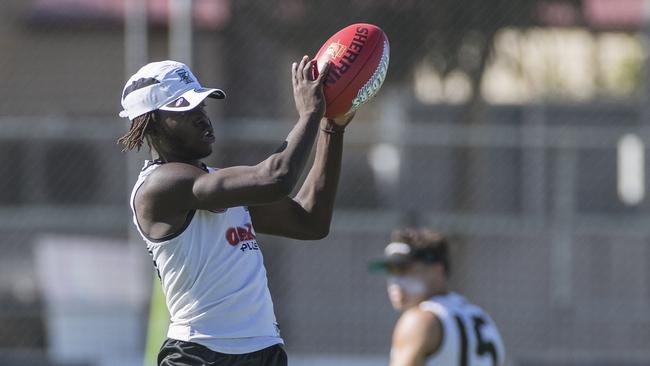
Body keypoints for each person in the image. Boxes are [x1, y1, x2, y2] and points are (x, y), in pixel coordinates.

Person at [117, 58, 352, 366]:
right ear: (152, 121)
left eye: (202, 106)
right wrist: (310, 112)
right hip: (199, 353)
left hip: (264, 350)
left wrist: (331, 129)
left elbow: (310, 221)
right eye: (186, 109)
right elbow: (275, 178)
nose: (202, 118)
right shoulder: (160, 186)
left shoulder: (215, 184)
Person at [370, 228, 506, 366]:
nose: (395, 282)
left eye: (404, 269)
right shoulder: (482, 318)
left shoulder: (419, 320)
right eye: (391, 271)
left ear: (437, 270)